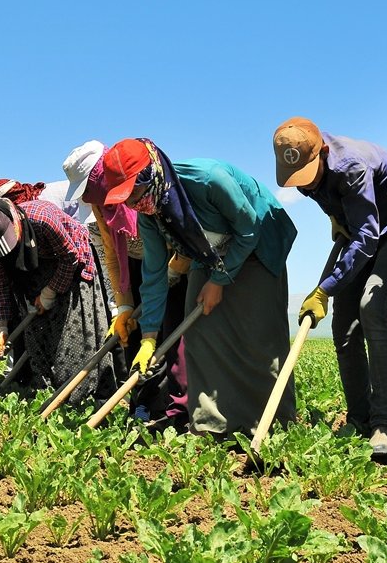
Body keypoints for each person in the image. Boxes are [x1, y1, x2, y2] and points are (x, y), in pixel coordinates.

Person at [104, 138, 297, 438]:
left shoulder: (208, 180)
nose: (134, 203)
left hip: (258, 243)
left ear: (153, 171)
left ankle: (274, 426)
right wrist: (149, 338)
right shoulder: (150, 215)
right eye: (126, 198)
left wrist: (218, 282)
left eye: (136, 191)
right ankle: (212, 426)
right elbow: (153, 276)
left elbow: (249, 229)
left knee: (260, 334)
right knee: (198, 334)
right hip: (208, 252)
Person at [273, 117, 387, 459]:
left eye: (309, 173)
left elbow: (367, 237)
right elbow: (352, 224)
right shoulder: (303, 168)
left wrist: (325, 288)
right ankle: (359, 419)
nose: (305, 184)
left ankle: (385, 423)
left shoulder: (351, 166)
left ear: (323, 152)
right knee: (343, 326)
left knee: (373, 306)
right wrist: (338, 219)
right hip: (362, 230)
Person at [62, 141, 189, 430]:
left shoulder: (137, 188)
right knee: (133, 337)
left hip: (169, 263)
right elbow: (111, 250)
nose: (89, 197)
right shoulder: (98, 204)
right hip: (134, 267)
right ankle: (141, 403)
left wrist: (171, 273)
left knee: (167, 333)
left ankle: (175, 409)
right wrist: (124, 304)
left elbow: (173, 232)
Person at [0, 196, 118, 406]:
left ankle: (82, 398)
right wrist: (1, 326)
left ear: (14, 218)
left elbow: (70, 257)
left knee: (72, 337)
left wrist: (49, 293)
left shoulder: (42, 219)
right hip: (34, 276)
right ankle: (46, 393)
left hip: (71, 266)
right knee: (38, 338)